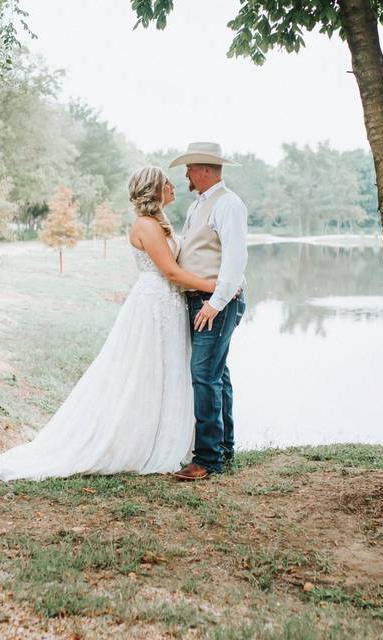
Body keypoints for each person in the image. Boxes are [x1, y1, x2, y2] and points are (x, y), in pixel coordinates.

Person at [0, 166, 213, 481]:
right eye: (166, 182)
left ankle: (166, 435)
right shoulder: (145, 225)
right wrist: (214, 287)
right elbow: (169, 271)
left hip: (169, 303)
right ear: (155, 190)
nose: (173, 186)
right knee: (145, 369)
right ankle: (138, 442)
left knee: (168, 369)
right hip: (154, 303)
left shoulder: (160, 223)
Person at [169, 142, 249, 481]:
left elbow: (235, 258)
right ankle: (223, 448)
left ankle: (207, 459)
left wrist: (215, 304)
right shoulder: (198, 205)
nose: (186, 173)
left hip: (215, 303)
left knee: (204, 375)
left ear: (204, 169)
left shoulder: (228, 204)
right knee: (218, 374)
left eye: (189, 167)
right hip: (199, 299)